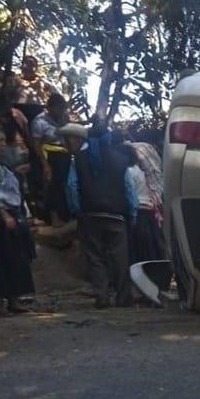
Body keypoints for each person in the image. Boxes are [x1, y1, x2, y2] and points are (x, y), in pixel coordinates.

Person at [63, 125, 138, 309]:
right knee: (119, 257)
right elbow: (129, 188)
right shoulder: (121, 159)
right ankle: (123, 296)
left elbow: (72, 187)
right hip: (117, 215)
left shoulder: (78, 159)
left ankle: (102, 296)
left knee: (95, 256)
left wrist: (77, 209)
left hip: (90, 215)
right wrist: (133, 212)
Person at [0, 125, 36, 316]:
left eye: (4, 140)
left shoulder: (2, 165)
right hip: (0, 214)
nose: (3, 145)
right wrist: (0, 213)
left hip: (13, 213)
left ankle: (14, 299)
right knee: (1, 259)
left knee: (16, 258)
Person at [124, 143, 171, 292]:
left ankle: (141, 288)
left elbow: (130, 194)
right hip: (151, 215)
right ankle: (158, 285)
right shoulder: (151, 176)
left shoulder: (129, 172)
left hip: (138, 215)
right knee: (154, 251)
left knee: (139, 253)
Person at [32, 94, 71, 226]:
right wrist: (45, 164)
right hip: (49, 154)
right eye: (59, 108)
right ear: (50, 108)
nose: (61, 111)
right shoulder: (39, 121)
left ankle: (64, 214)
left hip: (64, 153)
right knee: (52, 186)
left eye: (63, 108)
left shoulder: (64, 118)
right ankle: (53, 216)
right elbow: (36, 144)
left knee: (63, 185)